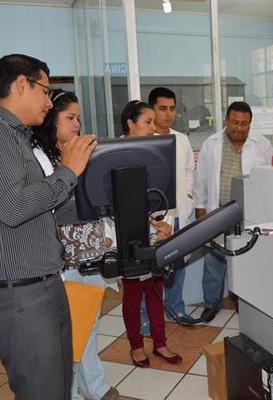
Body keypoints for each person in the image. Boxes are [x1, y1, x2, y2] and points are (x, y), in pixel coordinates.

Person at [0, 54, 96, 399]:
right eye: (45, 91)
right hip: (18, 296)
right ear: (21, 84)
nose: (50, 102)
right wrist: (68, 172)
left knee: (58, 389)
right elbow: (14, 208)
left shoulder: (19, 138)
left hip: (43, 286)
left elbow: (46, 210)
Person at [31, 89, 119, 400]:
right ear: (50, 121)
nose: (77, 124)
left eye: (78, 118)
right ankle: (71, 392)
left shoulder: (83, 156)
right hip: (62, 261)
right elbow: (58, 209)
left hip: (91, 255)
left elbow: (98, 202)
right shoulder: (41, 161)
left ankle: (94, 387)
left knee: (87, 327)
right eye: (70, 118)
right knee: (65, 334)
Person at [194, 101, 273, 322]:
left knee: (247, 260)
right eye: (235, 122)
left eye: (244, 124)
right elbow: (201, 178)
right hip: (218, 212)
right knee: (214, 261)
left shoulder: (262, 145)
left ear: (250, 124)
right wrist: (200, 209)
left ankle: (244, 304)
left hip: (248, 213)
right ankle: (211, 304)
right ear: (226, 120)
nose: (239, 128)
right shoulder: (211, 144)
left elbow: (271, 179)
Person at [118, 100, 183, 368]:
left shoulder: (155, 152)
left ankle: (160, 343)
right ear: (130, 124)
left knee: (156, 292)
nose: (154, 128)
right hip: (127, 233)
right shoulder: (114, 153)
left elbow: (163, 193)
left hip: (155, 230)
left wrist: (164, 223)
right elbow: (111, 199)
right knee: (132, 296)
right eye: (148, 122)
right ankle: (136, 346)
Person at [148, 87, 195, 321]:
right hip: (156, 218)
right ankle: (148, 317)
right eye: (162, 108)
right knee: (152, 270)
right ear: (152, 109)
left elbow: (189, 172)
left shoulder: (182, 139)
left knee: (178, 264)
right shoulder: (145, 139)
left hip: (180, 214)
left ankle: (177, 308)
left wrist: (187, 197)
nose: (168, 114)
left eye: (172, 109)